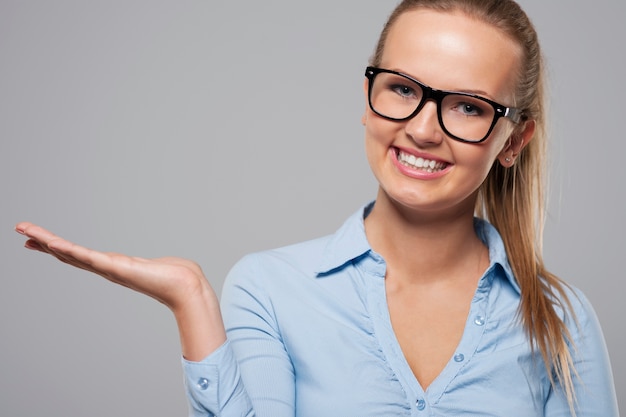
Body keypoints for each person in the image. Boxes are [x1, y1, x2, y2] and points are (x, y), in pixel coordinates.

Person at [15, 0, 619, 415]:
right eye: (403, 89)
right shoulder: (269, 289)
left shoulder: (563, 321)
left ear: (512, 140)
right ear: (368, 98)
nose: (423, 129)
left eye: (466, 106)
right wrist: (192, 298)